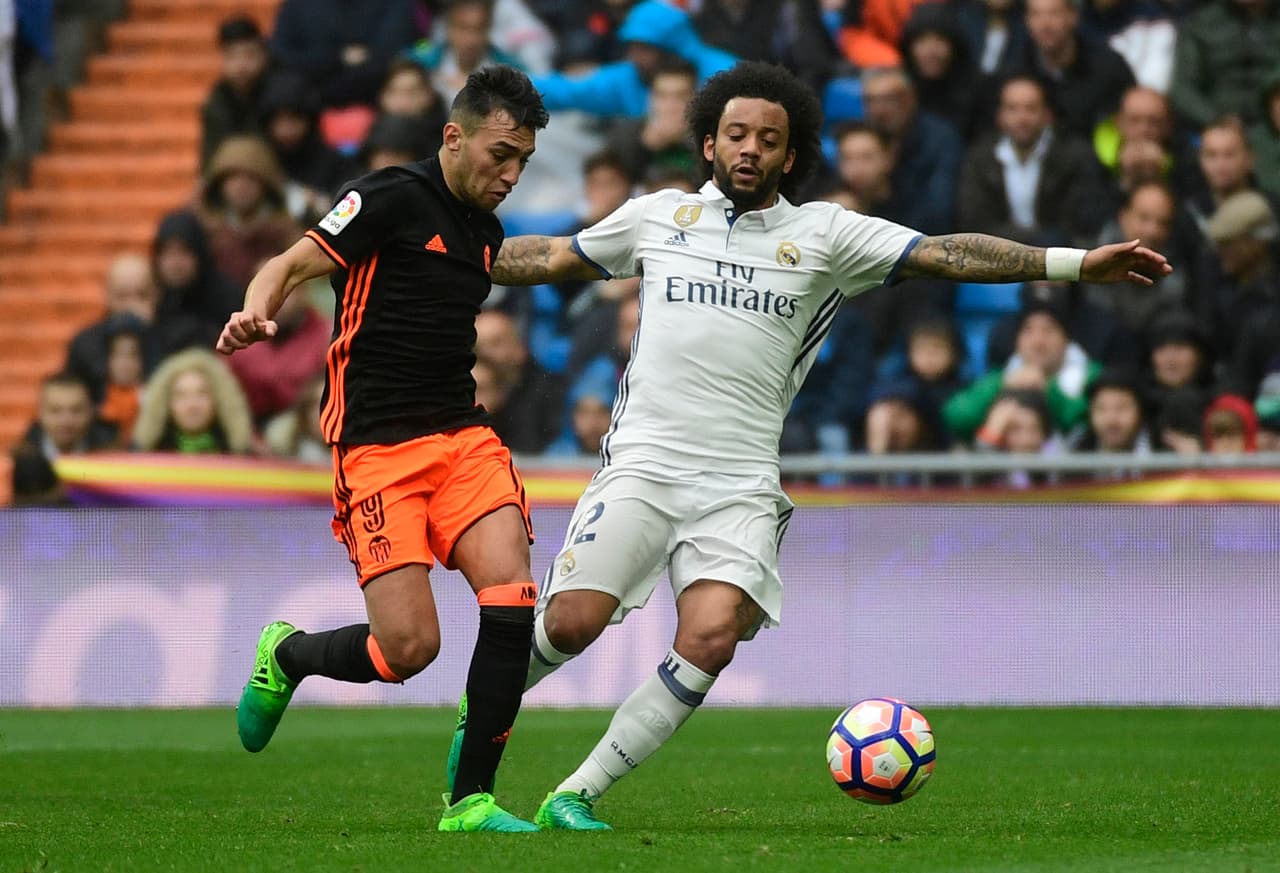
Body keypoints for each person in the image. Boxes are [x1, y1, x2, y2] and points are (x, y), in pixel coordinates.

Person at [478, 60, 1169, 829]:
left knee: (709, 637)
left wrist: (1073, 265)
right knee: (569, 622)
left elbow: (946, 252)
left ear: (791, 156)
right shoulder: (658, 217)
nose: (749, 150)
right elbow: (548, 258)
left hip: (739, 482)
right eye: (735, 134)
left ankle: (576, 793)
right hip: (644, 463)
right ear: (708, 143)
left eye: (768, 140)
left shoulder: (827, 234)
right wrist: (442, 254)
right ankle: (476, 746)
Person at [216, 66, 550, 834]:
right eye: (501, 153)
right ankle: (289, 653)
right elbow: (291, 264)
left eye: (523, 161)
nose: (511, 174)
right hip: (375, 450)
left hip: (463, 438)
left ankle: (471, 799)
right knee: (408, 649)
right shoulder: (388, 197)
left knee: (511, 597)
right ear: (453, 136)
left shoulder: (486, 233)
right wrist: (255, 313)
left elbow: (544, 259)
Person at [131, 348, 255, 455]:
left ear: (219, 399)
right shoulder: (145, 453)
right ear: (166, 403)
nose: (192, 405)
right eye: (181, 396)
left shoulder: (240, 453)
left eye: (202, 394)